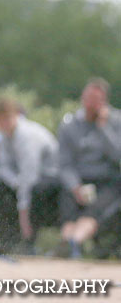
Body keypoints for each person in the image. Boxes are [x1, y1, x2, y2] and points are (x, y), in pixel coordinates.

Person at [0, 98, 61, 256]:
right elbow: (3, 168)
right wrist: (15, 183)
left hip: (47, 182)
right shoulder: (3, 138)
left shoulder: (28, 136)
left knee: (34, 191)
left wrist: (23, 209)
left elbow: (30, 176)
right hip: (21, 181)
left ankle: (29, 242)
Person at [57, 78, 121, 258]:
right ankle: (67, 243)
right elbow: (65, 164)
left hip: (108, 182)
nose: (91, 105)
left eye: (97, 101)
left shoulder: (116, 122)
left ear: (105, 102)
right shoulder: (69, 126)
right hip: (78, 181)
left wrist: (103, 128)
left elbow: (118, 157)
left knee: (95, 210)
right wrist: (75, 186)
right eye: (88, 99)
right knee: (68, 206)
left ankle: (75, 242)